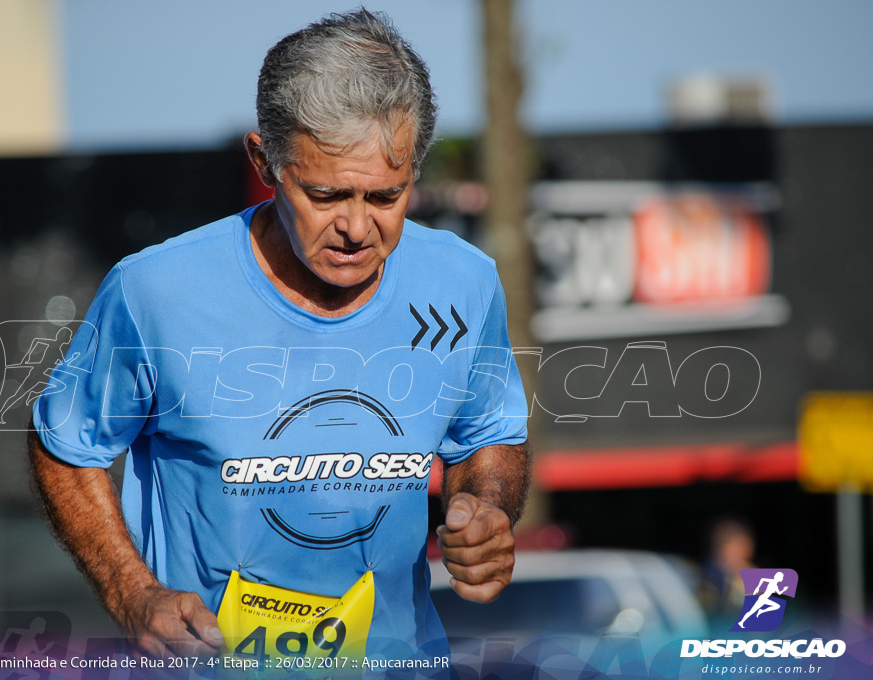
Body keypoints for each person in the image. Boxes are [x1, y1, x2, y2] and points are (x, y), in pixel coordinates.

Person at [29, 9, 530, 666]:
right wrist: (134, 595)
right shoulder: (155, 292)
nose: (357, 228)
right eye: (325, 195)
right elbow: (64, 444)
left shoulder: (462, 282)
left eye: (386, 197)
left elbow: (490, 432)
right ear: (264, 162)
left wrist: (484, 507)